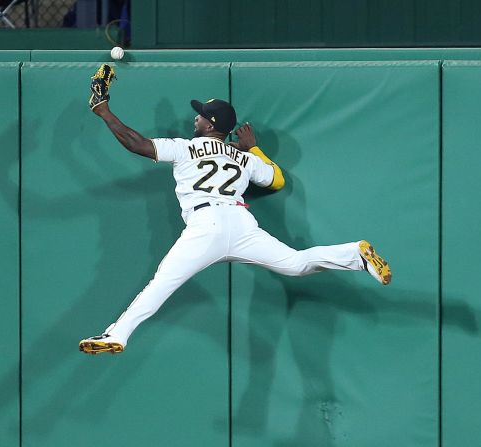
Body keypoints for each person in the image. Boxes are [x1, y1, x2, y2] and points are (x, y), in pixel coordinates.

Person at [79, 64, 391, 355]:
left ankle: (117, 335)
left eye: (201, 115)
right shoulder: (244, 157)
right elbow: (278, 179)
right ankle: (354, 254)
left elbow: (137, 143)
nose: (196, 118)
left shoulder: (187, 147)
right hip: (241, 224)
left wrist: (104, 111)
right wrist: (251, 146)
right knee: (296, 264)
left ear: (210, 124)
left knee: (162, 283)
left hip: (206, 225)